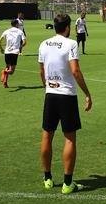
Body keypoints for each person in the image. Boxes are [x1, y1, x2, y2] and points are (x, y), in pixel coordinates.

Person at [38, 13, 93, 194]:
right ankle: (67, 183)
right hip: (67, 96)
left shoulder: (44, 44)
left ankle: (47, 178)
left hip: (50, 94)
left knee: (47, 135)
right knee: (69, 137)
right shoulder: (71, 44)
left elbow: (41, 72)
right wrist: (87, 93)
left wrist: (47, 86)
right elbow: (75, 71)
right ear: (68, 27)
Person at [0, 19, 27, 88]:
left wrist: (1, 49)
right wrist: (20, 47)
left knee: (7, 67)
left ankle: (5, 83)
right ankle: (4, 72)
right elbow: (25, 42)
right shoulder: (20, 31)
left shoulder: (6, 31)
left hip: (7, 52)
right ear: (17, 24)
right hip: (14, 52)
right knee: (11, 71)